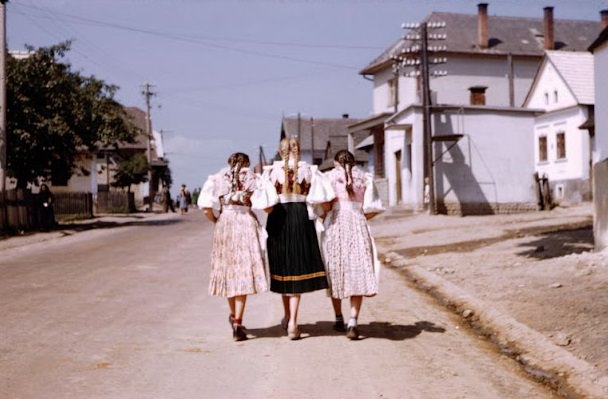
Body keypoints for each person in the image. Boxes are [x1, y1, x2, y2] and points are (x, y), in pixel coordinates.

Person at [252, 137, 334, 340]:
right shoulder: (309, 171)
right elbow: (320, 199)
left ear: (281, 152)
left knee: (283, 268)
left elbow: (265, 204)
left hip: (279, 217)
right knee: (297, 269)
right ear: (298, 151)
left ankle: (289, 317)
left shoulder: (271, 172)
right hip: (300, 217)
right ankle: (292, 322)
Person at [198, 152, 268, 341]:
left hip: (226, 222)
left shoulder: (217, 178)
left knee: (229, 273)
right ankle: (238, 320)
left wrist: (216, 220)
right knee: (243, 273)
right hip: (245, 222)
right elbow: (264, 203)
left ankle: (233, 317)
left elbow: (205, 207)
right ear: (247, 163)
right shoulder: (253, 178)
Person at [321, 150, 384, 340]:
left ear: (335, 162)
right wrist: (359, 215)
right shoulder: (364, 178)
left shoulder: (329, 178)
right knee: (357, 270)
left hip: (336, 225)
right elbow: (373, 209)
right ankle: (353, 320)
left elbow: (323, 207)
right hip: (357, 225)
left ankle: (338, 317)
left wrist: (329, 210)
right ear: (354, 162)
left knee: (336, 271)